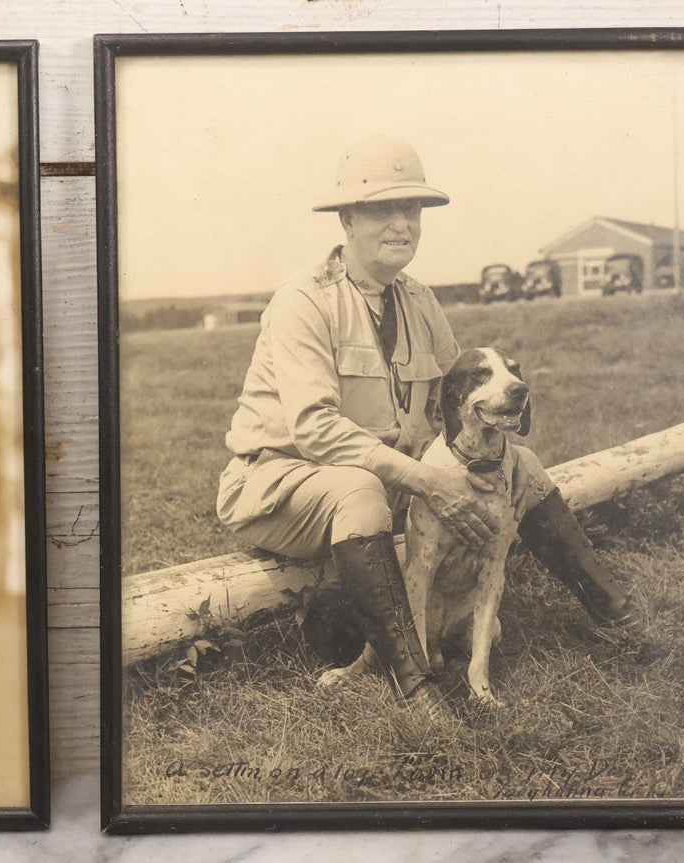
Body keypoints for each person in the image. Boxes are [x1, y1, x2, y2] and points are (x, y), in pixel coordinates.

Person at [215, 137, 636, 714]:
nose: (402, 225)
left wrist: (484, 463)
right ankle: (413, 684)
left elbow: (461, 399)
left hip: (387, 479)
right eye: (382, 210)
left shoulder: (418, 300)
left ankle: (617, 614)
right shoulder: (304, 300)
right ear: (347, 220)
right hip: (280, 484)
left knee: (525, 464)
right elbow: (314, 429)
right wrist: (429, 481)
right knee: (358, 490)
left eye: (411, 209)